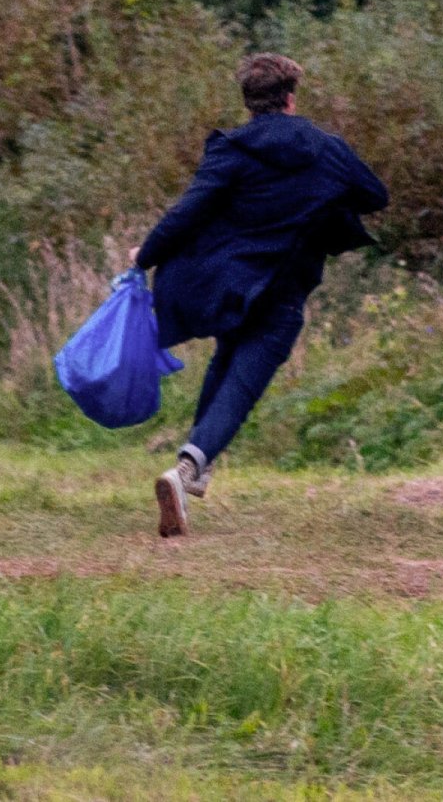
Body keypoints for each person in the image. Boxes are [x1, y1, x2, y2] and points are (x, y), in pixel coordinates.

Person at [131, 53, 388, 537]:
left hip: (232, 286)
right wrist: (320, 198)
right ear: (291, 98)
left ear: (249, 102)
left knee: (227, 360)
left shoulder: (232, 149)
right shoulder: (326, 149)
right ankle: (188, 469)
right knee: (242, 384)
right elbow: (375, 195)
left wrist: (144, 255)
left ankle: (195, 469)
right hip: (285, 287)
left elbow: (188, 211)